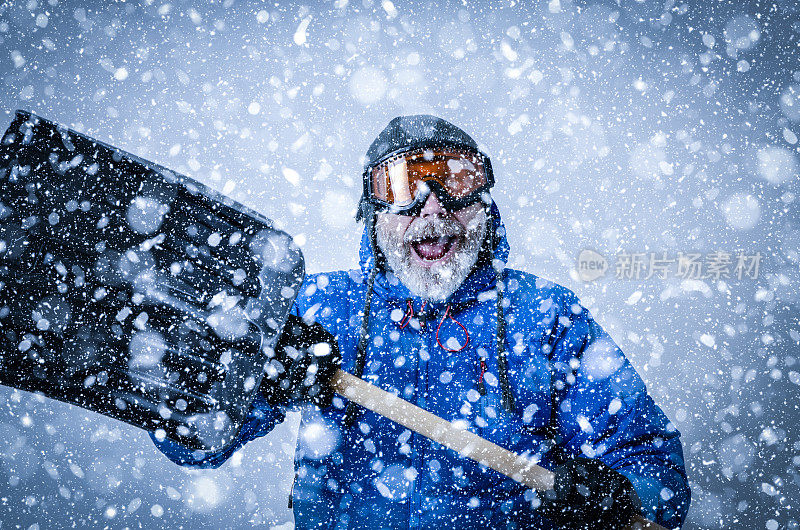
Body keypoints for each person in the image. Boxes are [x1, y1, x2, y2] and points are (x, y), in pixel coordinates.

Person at [151, 115, 690, 529]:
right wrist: (237, 380)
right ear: (372, 217)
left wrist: (617, 496)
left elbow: (654, 465)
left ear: (485, 206)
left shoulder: (544, 318)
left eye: (456, 180)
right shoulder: (318, 311)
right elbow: (195, 445)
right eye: (403, 187)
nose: (433, 210)